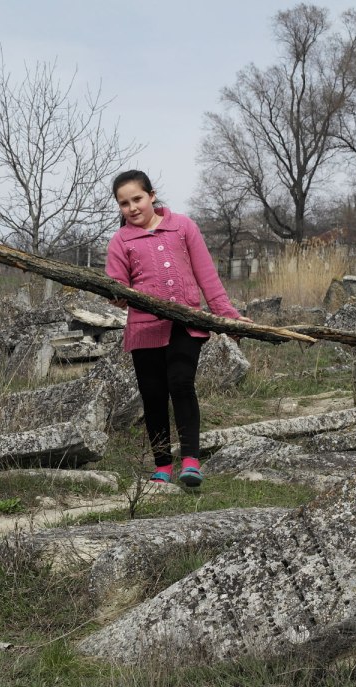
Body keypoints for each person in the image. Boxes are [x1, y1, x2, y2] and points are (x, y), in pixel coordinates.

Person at [105, 169, 249, 487]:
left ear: (152, 195)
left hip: (186, 325)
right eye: (124, 203)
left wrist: (229, 317)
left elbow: (206, 275)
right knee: (153, 396)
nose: (132, 207)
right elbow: (117, 286)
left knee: (181, 384)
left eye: (137, 199)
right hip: (144, 331)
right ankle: (162, 466)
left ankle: (190, 461)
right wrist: (115, 294)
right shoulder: (120, 241)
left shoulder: (182, 226)